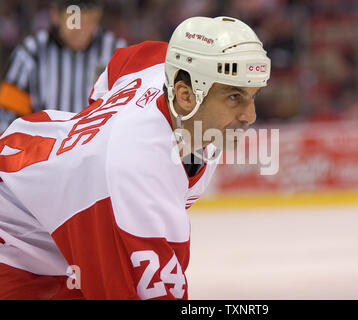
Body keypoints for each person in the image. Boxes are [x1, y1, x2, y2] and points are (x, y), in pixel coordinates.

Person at [0, 16, 270, 299]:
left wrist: (102, 125)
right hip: (15, 244)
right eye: (234, 97)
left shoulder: (167, 66)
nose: (250, 116)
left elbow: (127, 62)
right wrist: (103, 146)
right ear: (185, 96)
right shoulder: (137, 173)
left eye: (253, 95)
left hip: (44, 197)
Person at [0, 0, 127, 131]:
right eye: (74, 20)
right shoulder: (31, 53)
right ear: (55, 15)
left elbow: (129, 113)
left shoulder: (115, 51)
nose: (82, 28)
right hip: (44, 147)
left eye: (90, 19)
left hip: (98, 147)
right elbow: (8, 119)